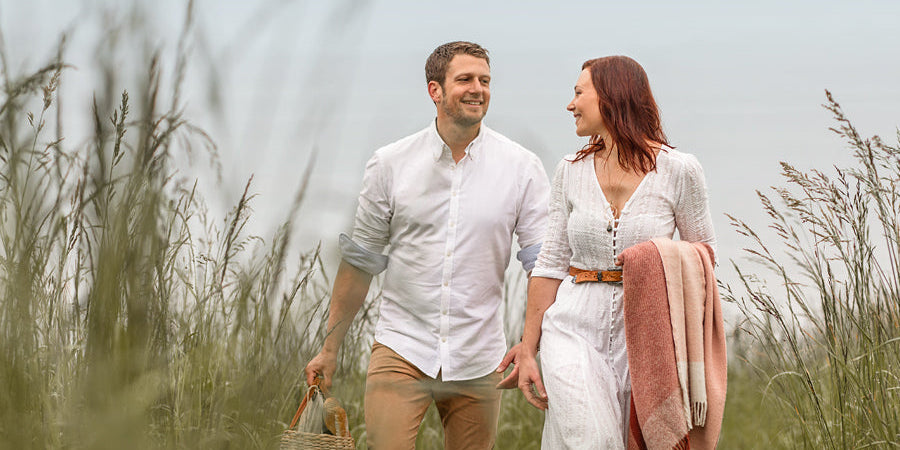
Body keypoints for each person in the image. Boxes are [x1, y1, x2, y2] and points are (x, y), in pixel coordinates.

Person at [304, 41, 550, 449]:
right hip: (402, 348)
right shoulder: (390, 163)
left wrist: (529, 345)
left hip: (479, 357)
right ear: (435, 90)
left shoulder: (522, 167)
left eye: (485, 80)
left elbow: (541, 265)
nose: (478, 89)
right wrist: (329, 350)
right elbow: (360, 262)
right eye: (465, 79)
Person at [514, 56, 716, 448]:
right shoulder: (569, 170)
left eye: (577, 93)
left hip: (645, 331)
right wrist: (528, 347)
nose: (569, 105)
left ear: (610, 97)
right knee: (591, 439)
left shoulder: (680, 170)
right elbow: (551, 262)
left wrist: (656, 258)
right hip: (571, 325)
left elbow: (703, 256)